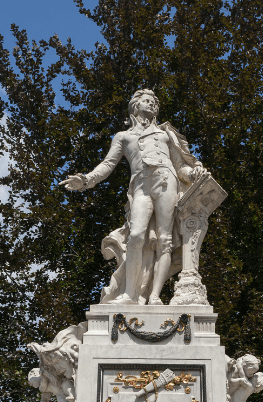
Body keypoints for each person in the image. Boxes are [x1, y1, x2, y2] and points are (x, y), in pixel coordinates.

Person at [59, 89, 208, 305]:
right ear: (135, 106)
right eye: (147, 101)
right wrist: (86, 180)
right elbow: (108, 164)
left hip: (167, 181)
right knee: (136, 236)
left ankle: (155, 295)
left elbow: (181, 166)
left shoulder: (166, 135)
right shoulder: (124, 137)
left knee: (165, 240)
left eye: (154, 103)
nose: (152, 105)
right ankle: (130, 294)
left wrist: (193, 173)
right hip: (141, 186)